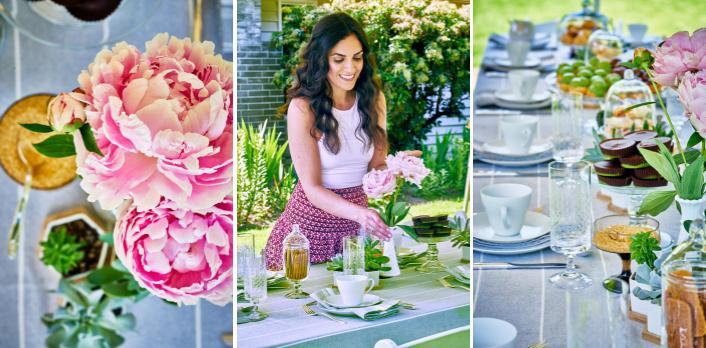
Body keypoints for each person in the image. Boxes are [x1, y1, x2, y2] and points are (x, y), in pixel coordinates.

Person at [264, 12, 397, 270]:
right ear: (321, 60)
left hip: (356, 230)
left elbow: (376, 167)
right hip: (307, 233)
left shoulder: (374, 100)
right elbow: (312, 188)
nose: (350, 68)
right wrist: (360, 214)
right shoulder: (303, 108)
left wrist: (398, 168)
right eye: (339, 60)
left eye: (357, 58)